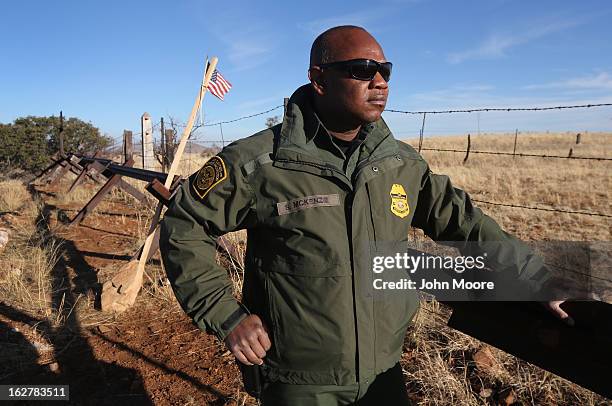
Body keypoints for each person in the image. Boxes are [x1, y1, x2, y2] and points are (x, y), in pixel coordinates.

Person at [159, 25, 569, 406]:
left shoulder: (399, 163)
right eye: (362, 70)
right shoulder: (261, 163)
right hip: (299, 378)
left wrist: (531, 276)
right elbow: (185, 224)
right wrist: (226, 316)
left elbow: (464, 221)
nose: (380, 81)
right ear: (319, 79)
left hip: (384, 371)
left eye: (385, 70)